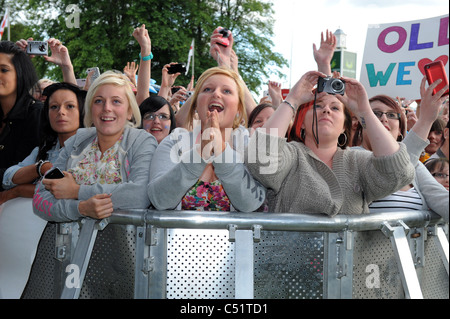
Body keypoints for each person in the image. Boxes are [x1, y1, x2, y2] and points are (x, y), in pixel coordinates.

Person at [245, 70, 415, 217]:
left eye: (335, 108)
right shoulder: (290, 156)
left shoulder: (358, 160)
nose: (326, 110)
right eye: (318, 106)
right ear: (302, 122)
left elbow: (398, 173)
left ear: (344, 127)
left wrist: (364, 111)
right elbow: (260, 159)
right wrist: (293, 100)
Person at [32, 71, 158, 222]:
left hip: (123, 244)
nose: (107, 108)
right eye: (98, 101)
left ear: (130, 111)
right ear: (90, 108)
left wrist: (77, 191)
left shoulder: (142, 141)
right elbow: (39, 200)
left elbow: (141, 195)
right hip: (71, 244)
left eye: (116, 101)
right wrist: (81, 208)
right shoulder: (77, 141)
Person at [148, 66, 266, 212]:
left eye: (227, 91)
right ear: (196, 103)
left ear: (239, 109)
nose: (216, 94)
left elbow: (252, 203)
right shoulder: (175, 142)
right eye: (207, 89)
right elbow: (159, 200)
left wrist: (222, 153)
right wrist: (199, 154)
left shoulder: (250, 146)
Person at [353, 77, 448, 222]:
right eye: (375, 114)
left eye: (391, 115)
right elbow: (392, 169)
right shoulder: (350, 158)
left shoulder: (415, 165)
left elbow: (442, 200)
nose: (384, 118)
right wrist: (425, 120)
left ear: (400, 130)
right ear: (360, 126)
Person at [1, 83, 85, 204]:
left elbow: (62, 191)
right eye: (54, 107)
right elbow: (8, 177)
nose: (61, 112)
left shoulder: (92, 149)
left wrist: (18, 191)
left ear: (82, 111)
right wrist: (40, 168)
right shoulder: (45, 148)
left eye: (70, 106)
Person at [0, 41, 43, 193]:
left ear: (20, 74)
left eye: (4, 70)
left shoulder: (37, 115)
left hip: (19, 210)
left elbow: (28, 173)